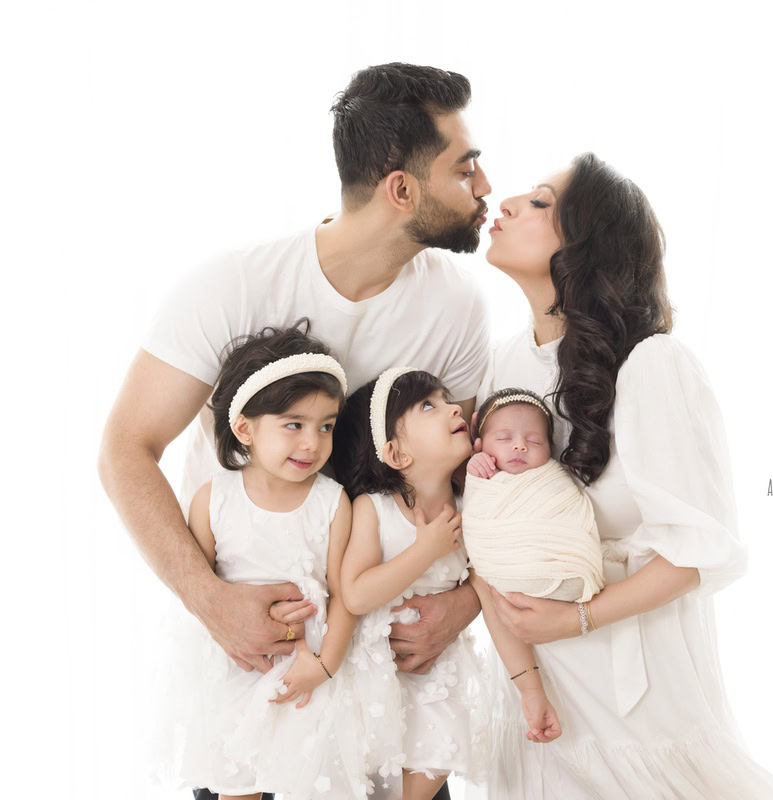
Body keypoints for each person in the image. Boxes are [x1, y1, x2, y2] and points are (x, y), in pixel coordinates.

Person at [98, 62, 492, 800]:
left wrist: (464, 604)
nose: (485, 187)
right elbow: (126, 447)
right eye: (466, 168)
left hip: (385, 664)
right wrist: (209, 602)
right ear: (401, 190)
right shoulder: (233, 286)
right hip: (255, 655)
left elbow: (469, 479)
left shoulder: (457, 311)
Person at [475, 152, 773, 798]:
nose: (507, 203)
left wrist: (573, 620)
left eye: (541, 203)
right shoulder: (505, 361)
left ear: (588, 247)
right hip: (537, 686)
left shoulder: (654, 366)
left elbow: (696, 553)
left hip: (634, 687)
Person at [151, 322, 390, 798]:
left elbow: (346, 594)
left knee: (312, 777)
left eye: (326, 427)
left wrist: (325, 665)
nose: (312, 443)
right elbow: (198, 587)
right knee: (235, 779)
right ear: (245, 428)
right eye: (293, 425)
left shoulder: (332, 502)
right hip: (236, 668)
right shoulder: (212, 500)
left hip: (309, 671)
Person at [330, 368, 510, 799]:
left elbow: (490, 583)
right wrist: (425, 550)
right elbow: (355, 593)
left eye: (447, 399)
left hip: (440, 673)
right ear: (395, 454)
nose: (452, 407)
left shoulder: (473, 506)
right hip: (375, 675)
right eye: (428, 405)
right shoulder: (374, 509)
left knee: (433, 762)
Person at [463, 387, 604, 602]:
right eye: (503, 438)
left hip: (569, 568)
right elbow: (474, 506)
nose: (520, 446)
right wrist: (475, 465)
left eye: (535, 441)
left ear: (550, 450)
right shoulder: (485, 474)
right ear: (480, 444)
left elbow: (571, 510)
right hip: (508, 571)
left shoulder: (551, 477)